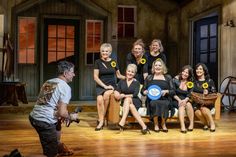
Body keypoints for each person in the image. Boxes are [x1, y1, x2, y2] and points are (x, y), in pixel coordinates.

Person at [29, 61, 76, 157]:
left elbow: (49, 103)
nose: (74, 74)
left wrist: (62, 115)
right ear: (65, 73)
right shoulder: (65, 87)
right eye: (72, 72)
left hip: (34, 117)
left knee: (58, 123)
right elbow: (62, 113)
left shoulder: (49, 81)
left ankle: (58, 146)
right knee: (51, 154)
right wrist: (71, 116)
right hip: (44, 121)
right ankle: (54, 149)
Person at [94, 43, 125, 131]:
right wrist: (104, 86)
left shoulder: (113, 62)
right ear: (100, 52)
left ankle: (101, 121)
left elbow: (119, 76)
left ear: (110, 52)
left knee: (106, 95)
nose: (104, 53)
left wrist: (129, 78)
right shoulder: (98, 62)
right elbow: (95, 77)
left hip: (112, 85)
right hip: (101, 85)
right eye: (103, 51)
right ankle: (102, 119)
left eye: (106, 51)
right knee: (99, 99)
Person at [114, 64, 149, 134]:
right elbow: (116, 93)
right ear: (126, 71)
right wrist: (119, 95)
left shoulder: (137, 83)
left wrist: (123, 95)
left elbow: (135, 94)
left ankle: (122, 121)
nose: (130, 73)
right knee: (130, 105)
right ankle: (144, 127)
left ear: (135, 73)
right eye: (129, 71)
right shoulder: (121, 82)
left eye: (132, 72)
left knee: (128, 99)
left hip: (135, 101)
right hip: (126, 103)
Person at [142, 59, 174, 133]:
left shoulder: (168, 77)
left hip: (165, 98)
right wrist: (145, 92)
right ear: (153, 67)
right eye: (156, 65)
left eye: (159, 65)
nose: (157, 67)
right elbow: (143, 90)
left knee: (165, 103)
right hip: (152, 99)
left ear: (163, 67)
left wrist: (166, 91)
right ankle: (156, 124)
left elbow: (173, 91)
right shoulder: (149, 77)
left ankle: (163, 124)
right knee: (154, 103)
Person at [192, 63, 217, 132]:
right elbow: (190, 92)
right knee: (197, 112)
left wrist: (208, 92)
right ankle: (206, 124)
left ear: (204, 71)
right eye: (197, 69)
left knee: (203, 109)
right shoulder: (193, 82)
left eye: (200, 69)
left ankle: (212, 124)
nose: (198, 70)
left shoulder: (209, 81)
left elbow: (214, 92)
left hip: (207, 102)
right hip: (197, 103)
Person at [172, 65, 194, 133]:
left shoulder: (190, 82)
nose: (184, 73)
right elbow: (172, 92)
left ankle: (191, 124)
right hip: (176, 99)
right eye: (183, 71)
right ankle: (183, 126)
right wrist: (179, 100)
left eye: (187, 73)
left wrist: (185, 100)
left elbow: (190, 93)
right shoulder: (175, 80)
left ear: (189, 75)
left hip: (186, 99)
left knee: (189, 105)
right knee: (181, 106)